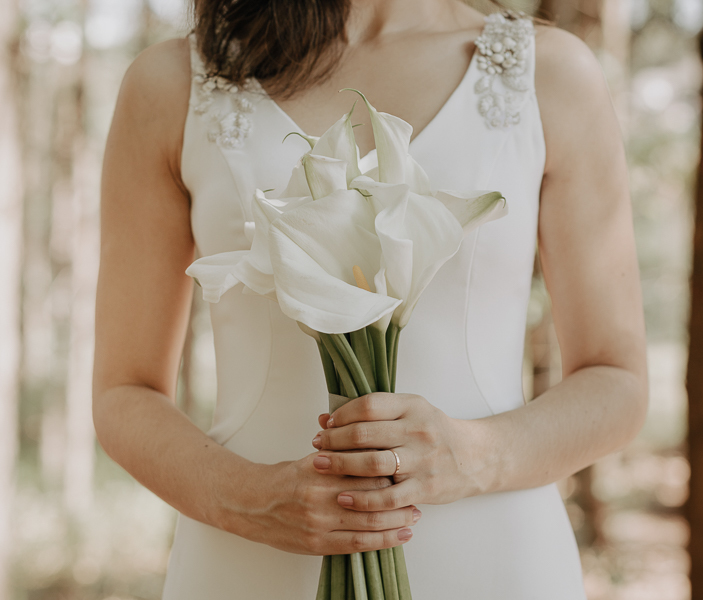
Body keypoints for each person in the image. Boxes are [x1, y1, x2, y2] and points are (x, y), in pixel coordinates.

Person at [93, 0, 647, 598]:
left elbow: (616, 379)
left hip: (494, 557)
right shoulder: (173, 82)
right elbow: (124, 391)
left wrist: (477, 456)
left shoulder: (550, 74)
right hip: (247, 563)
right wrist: (247, 498)